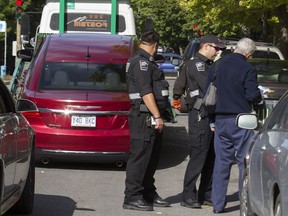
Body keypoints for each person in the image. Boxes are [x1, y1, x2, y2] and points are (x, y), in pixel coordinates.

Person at [206, 38, 262, 213]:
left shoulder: (217, 65)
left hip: (220, 119)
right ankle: (244, 204)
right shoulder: (247, 68)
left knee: (221, 162)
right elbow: (252, 95)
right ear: (248, 54)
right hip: (241, 120)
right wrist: (259, 97)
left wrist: (211, 120)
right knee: (243, 163)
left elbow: (208, 92)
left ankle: (217, 205)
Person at [173, 34, 226, 208]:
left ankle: (206, 194)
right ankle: (188, 195)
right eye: (215, 48)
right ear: (205, 46)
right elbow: (210, 86)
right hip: (200, 115)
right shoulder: (197, 64)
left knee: (211, 156)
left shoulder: (207, 65)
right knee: (198, 156)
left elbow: (178, 88)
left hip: (210, 114)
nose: (218, 51)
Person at [123, 19, 170, 211]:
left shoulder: (145, 61)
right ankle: (132, 196)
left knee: (151, 157)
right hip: (143, 117)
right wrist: (157, 116)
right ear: (155, 46)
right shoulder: (141, 63)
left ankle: (147, 192)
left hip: (148, 116)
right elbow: (146, 92)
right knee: (140, 157)